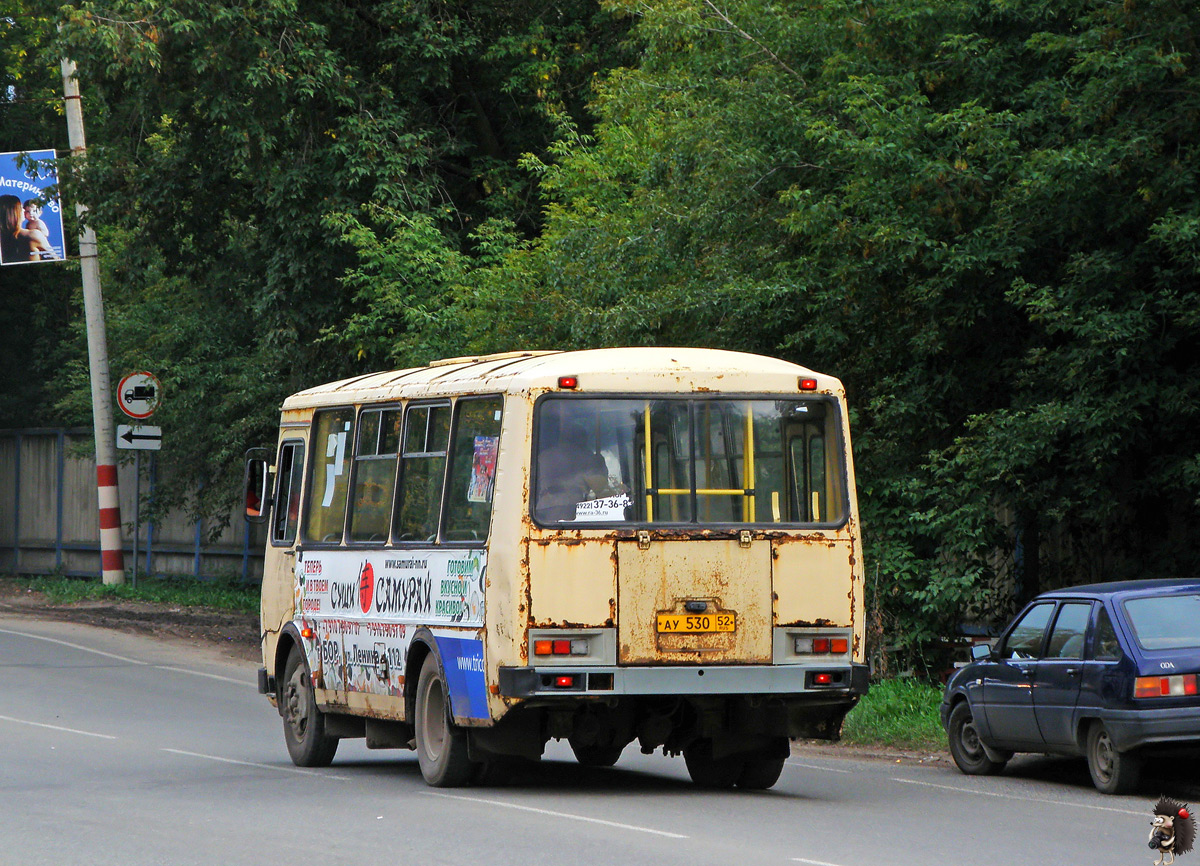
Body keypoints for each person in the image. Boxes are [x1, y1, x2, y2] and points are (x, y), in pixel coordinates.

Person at [536, 411, 612, 522]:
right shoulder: (588, 457)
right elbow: (599, 486)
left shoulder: (544, 455)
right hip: (572, 505)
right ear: (581, 439)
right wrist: (600, 466)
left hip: (544, 506)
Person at [0, 194, 54, 264]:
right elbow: (56, 259)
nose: (23, 210)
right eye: (21, 208)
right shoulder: (33, 235)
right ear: (14, 213)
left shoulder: (3, 237)